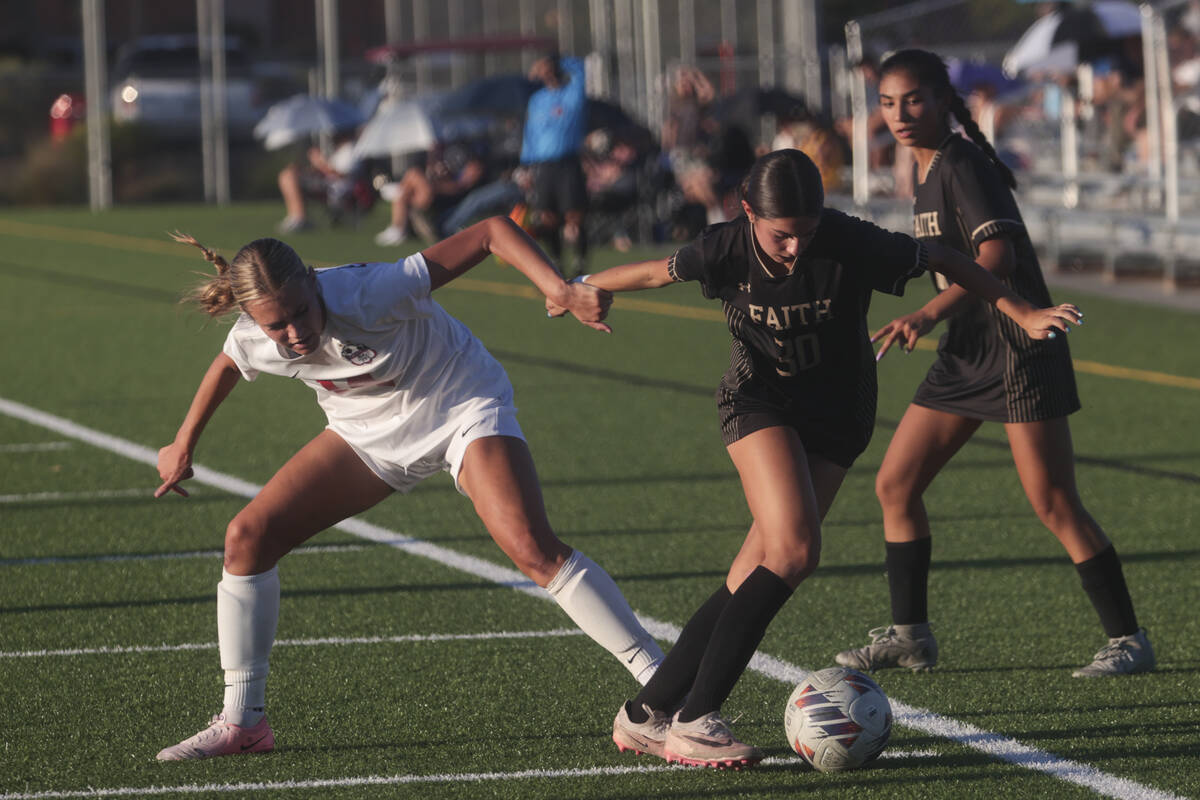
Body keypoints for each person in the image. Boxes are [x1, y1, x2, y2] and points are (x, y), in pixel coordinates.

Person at [547, 149, 1080, 767]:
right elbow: (653, 272)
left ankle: (647, 714)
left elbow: (950, 259)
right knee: (796, 551)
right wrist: (584, 290)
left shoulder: (848, 239)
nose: (797, 246)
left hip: (838, 416)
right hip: (758, 401)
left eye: (807, 231)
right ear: (748, 212)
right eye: (782, 234)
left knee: (756, 572)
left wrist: (1024, 310)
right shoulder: (725, 247)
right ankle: (694, 720)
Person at [153, 216, 664, 761]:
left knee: (530, 547)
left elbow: (491, 232)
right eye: (278, 326)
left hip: (459, 401)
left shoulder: (370, 291)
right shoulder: (257, 332)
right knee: (247, 538)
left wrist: (558, 288)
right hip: (367, 433)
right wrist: (183, 443)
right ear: (252, 316)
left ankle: (667, 688)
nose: (296, 333)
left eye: (302, 311)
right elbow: (228, 364)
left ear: (311, 280)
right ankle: (243, 722)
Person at [834, 49, 1153, 679]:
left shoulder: (960, 163)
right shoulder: (923, 169)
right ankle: (910, 637)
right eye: (888, 102)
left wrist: (926, 315)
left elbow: (997, 257)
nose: (898, 113)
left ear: (944, 101)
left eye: (914, 100)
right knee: (895, 486)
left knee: (1055, 502)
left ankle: (1129, 641)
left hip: (1016, 349)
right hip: (965, 354)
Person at [520, 52, 589, 276]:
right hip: (543, 166)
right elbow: (530, 134)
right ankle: (557, 263)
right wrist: (526, 166)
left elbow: (580, 67)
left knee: (573, 218)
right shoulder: (537, 100)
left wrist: (556, 62)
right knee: (545, 218)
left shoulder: (571, 94)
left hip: (567, 164)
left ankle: (580, 263)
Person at [374, 140, 488, 246]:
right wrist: (437, 175)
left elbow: (459, 187)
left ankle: (397, 225)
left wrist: (437, 181)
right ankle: (398, 224)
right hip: (433, 197)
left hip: (442, 200)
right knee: (409, 187)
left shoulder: (474, 167)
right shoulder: (457, 160)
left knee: (414, 175)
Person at [276, 130, 362, 234]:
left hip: (338, 189)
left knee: (289, 177)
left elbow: (343, 176)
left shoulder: (350, 148)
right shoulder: (335, 149)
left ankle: (299, 218)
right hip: (328, 184)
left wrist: (319, 163)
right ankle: (295, 216)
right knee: (289, 174)